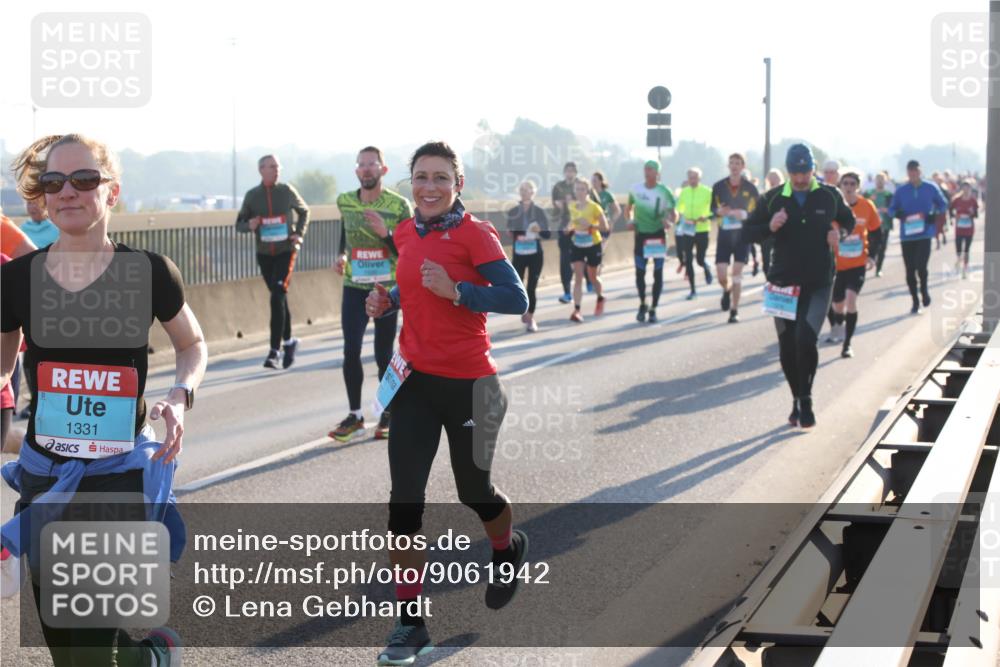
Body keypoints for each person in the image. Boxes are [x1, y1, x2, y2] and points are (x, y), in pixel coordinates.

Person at [2, 133, 207, 667]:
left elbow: (192, 343)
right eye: (53, 181)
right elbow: (2, 368)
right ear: (42, 197)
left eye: (84, 179)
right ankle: (151, 657)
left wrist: (179, 397)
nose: (67, 191)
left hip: (117, 480)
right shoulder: (18, 279)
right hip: (46, 480)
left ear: (111, 192)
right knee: (70, 654)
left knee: (90, 653)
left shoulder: (149, 272)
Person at [363, 141, 528, 666]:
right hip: (414, 383)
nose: (428, 187)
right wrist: (388, 297)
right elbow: (412, 281)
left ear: (457, 184)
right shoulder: (407, 231)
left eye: (439, 177)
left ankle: (507, 549)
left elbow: (516, 297)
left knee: (473, 490)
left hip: (471, 385)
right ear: (408, 182)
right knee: (404, 502)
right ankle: (411, 625)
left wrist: (460, 290)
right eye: (420, 177)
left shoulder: (475, 234)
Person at [745, 143, 854, 429]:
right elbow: (748, 232)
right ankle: (797, 397)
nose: (800, 178)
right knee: (787, 347)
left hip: (819, 281)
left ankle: (806, 399)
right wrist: (770, 226)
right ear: (788, 171)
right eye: (795, 172)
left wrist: (838, 233)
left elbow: (849, 221)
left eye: (805, 171)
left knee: (805, 340)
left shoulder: (830, 195)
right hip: (781, 283)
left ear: (813, 169)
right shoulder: (771, 199)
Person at [329, 147, 413, 443]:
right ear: (356, 171)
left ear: (383, 170)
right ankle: (355, 415)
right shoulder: (345, 202)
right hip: (354, 286)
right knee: (350, 351)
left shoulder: (400, 206)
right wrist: (341, 254)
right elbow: (345, 232)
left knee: (382, 354)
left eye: (372, 164)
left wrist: (384, 235)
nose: (366, 169)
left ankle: (387, 412)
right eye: (361, 165)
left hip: (386, 290)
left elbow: (408, 252)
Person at [235, 154, 310, 369]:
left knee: (278, 294)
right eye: (271, 167)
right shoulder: (252, 196)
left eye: (278, 166)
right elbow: (238, 224)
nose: (276, 170)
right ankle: (289, 341)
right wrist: (250, 225)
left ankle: (274, 351)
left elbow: (305, 211)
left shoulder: (286, 191)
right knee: (279, 298)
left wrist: (299, 233)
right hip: (264, 254)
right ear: (261, 170)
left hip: (286, 251)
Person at [827, 171, 882, 358]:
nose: (849, 187)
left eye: (852, 184)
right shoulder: (832, 207)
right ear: (840, 186)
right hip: (837, 265)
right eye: (845, 184)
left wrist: (872, 256)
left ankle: (847, 344)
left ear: (857, 186)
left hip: (858, 263)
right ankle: (837, 324)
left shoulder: (867, 206)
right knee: (837, 306)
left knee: (851, 300)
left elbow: (876, 232)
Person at [890, 159, 948, 314]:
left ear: (920, 171)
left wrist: (933, 214)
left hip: (924, 235)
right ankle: (915, 301)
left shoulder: (931, 187)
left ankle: (924, 290)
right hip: (907, 236)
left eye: (916, 171)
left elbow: (943, 204)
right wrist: (897, 213)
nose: (913, 174)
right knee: (910, 271)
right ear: (907, 173)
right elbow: (891, 209)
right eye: (910, 172)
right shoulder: (901, 190)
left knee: (921, 267)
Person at [711, 153, 759, 323]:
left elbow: (758, 212)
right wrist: (719, 211)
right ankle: (726, 289)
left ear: (743, 166)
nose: (734, 166)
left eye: (737, 163)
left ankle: (734, 310)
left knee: (737, 273)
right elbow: (712, 208)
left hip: (742, 237)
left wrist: (744, 214)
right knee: (722, 275)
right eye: (731, 162)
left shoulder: (750, 188)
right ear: (728, 165)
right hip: (724, 236)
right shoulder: (719, 186)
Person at [624, 159, 675, 321]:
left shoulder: (665, 191)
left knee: (657, 273)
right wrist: (630, 220)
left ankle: (653, 307)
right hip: (641, 236)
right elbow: (628, 209)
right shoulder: (635, 189)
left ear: (657, 173)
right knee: (640, 273)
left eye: (651, 169)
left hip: (658, 235)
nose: (647, 172)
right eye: (646, 169)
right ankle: (642, 303)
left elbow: (674, 213)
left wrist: (670, 221)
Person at [507, 180, 551, 332]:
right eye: (522, 190)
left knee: (532, 286)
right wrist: (515, 233)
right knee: (518, 285)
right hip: (519, 253)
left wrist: (539, 230)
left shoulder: (539, 211)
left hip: (535, 254)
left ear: (533, 192)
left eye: (528, 189)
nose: (525, 192)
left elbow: (547, 234)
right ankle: (524, 309)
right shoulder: (513, 211)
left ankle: (530, 317)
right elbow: (510, 232)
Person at [551, 162, 597, 303]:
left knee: (582, 256)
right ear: (564, 172)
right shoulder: (558, 187)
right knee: (565, 260)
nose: (570, 173)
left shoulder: (582, 185)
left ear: (576, 172)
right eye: (567, 171)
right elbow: (555, 208)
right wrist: (560, 205)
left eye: (572, 171)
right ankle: (567, 292)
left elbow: (595, 204)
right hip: (565, 226)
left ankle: (589, 280)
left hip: (582, 227)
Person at [565, 179, 609, 322]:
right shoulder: (572, 206)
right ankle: (577, 310)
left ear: (588, 191)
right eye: (577, 189)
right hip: (577, 244)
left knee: (592, 277)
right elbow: (571, 222)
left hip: (593, 244)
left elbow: (605, 227)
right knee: (577, 277)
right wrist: (568, 228)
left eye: (582, 189)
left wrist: (590, 225)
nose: (579, 192)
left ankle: (600, 297)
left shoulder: (595, 207)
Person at [675, 167, 714, 290]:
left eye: (695, 177)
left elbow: (715, 209)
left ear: (699, 178)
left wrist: (706, 216)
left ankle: (706, 267)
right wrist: (677, 214)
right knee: (689, 259)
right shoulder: (684, 192)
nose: (692, 180)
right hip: (688, 229)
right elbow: (679, 208)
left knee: (699, 259)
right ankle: (692, 289)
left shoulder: (707, 191)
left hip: (702, 229)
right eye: (690, 178)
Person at [865, 172, 894, 277]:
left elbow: (894, 209)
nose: (880, 181)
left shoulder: (888, 195)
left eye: (882, 179)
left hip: (884, 224)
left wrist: (887, 210)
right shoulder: (869, 193)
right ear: (875, 181)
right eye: (878, 179)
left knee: (882, 247)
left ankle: (879, 268)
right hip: (870, 225)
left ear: (885, 181)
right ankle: (868, 263)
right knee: (869, 245)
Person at [950, 179, 978, 280]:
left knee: (966, 249)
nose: (966, 190)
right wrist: (954, 217)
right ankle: (958, 259)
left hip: (969, 229)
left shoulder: (973, 201)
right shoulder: (956, 200)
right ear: (961, 189)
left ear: (970, 189)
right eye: (964, 188)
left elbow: (976, 215)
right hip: (959, 228)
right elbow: (950, 210)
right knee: (958, 248)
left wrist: (971, 213)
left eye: (968, 188)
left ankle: (965, 269)